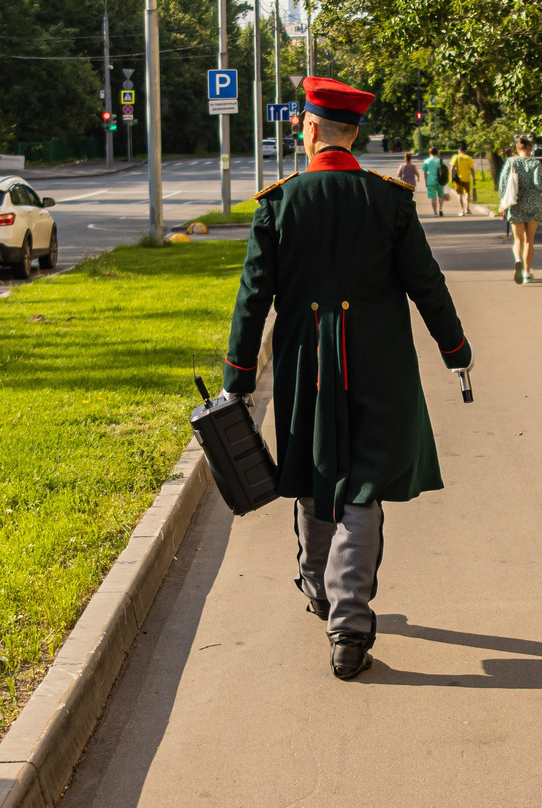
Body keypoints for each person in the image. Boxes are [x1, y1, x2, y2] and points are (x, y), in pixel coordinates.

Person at [223, 77, 472, 681]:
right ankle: (350, 628)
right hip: (378, 362)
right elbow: (426, 284)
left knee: (312, 471)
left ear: (309, 130)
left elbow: (253, 297)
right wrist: (455, 348)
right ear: (354, 133)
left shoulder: (278, 204)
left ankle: (316, 585)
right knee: (362, 485)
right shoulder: (388, 200)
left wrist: (240, 376)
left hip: (306, 362)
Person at [498, 135, 542, 284]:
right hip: (533, 204)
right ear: (530, 148)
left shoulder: (511, 162)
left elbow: (503, 185)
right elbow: (539, 183)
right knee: (529, 241)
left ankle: (518, 259)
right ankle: (526, 273)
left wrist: (503, 203)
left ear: (517, 149)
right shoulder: (535, 163)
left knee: (518, 240)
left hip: (515, 203)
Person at [449, 145, 477, 216]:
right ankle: (467, 208)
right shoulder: (469, 158)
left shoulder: (456, 157)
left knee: (459, 194)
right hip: (467, 178)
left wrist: (451, 177)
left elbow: (452, 168)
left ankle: (462, 210)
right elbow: (472, 169)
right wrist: (473, 178)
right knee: (467, 193)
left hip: (458, 179)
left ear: (459, 151)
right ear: (465, 151)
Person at [419, 147, 447, 216]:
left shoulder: (426, 161)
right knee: (441, 195)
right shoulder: (440, 160)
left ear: (430, 153)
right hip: (440, 180)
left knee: (433, 197)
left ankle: (435, 212)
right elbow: (445, 170)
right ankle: (440, 209)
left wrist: (426, 182)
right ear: (437, 152)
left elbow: (425, 172)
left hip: (431, 181)